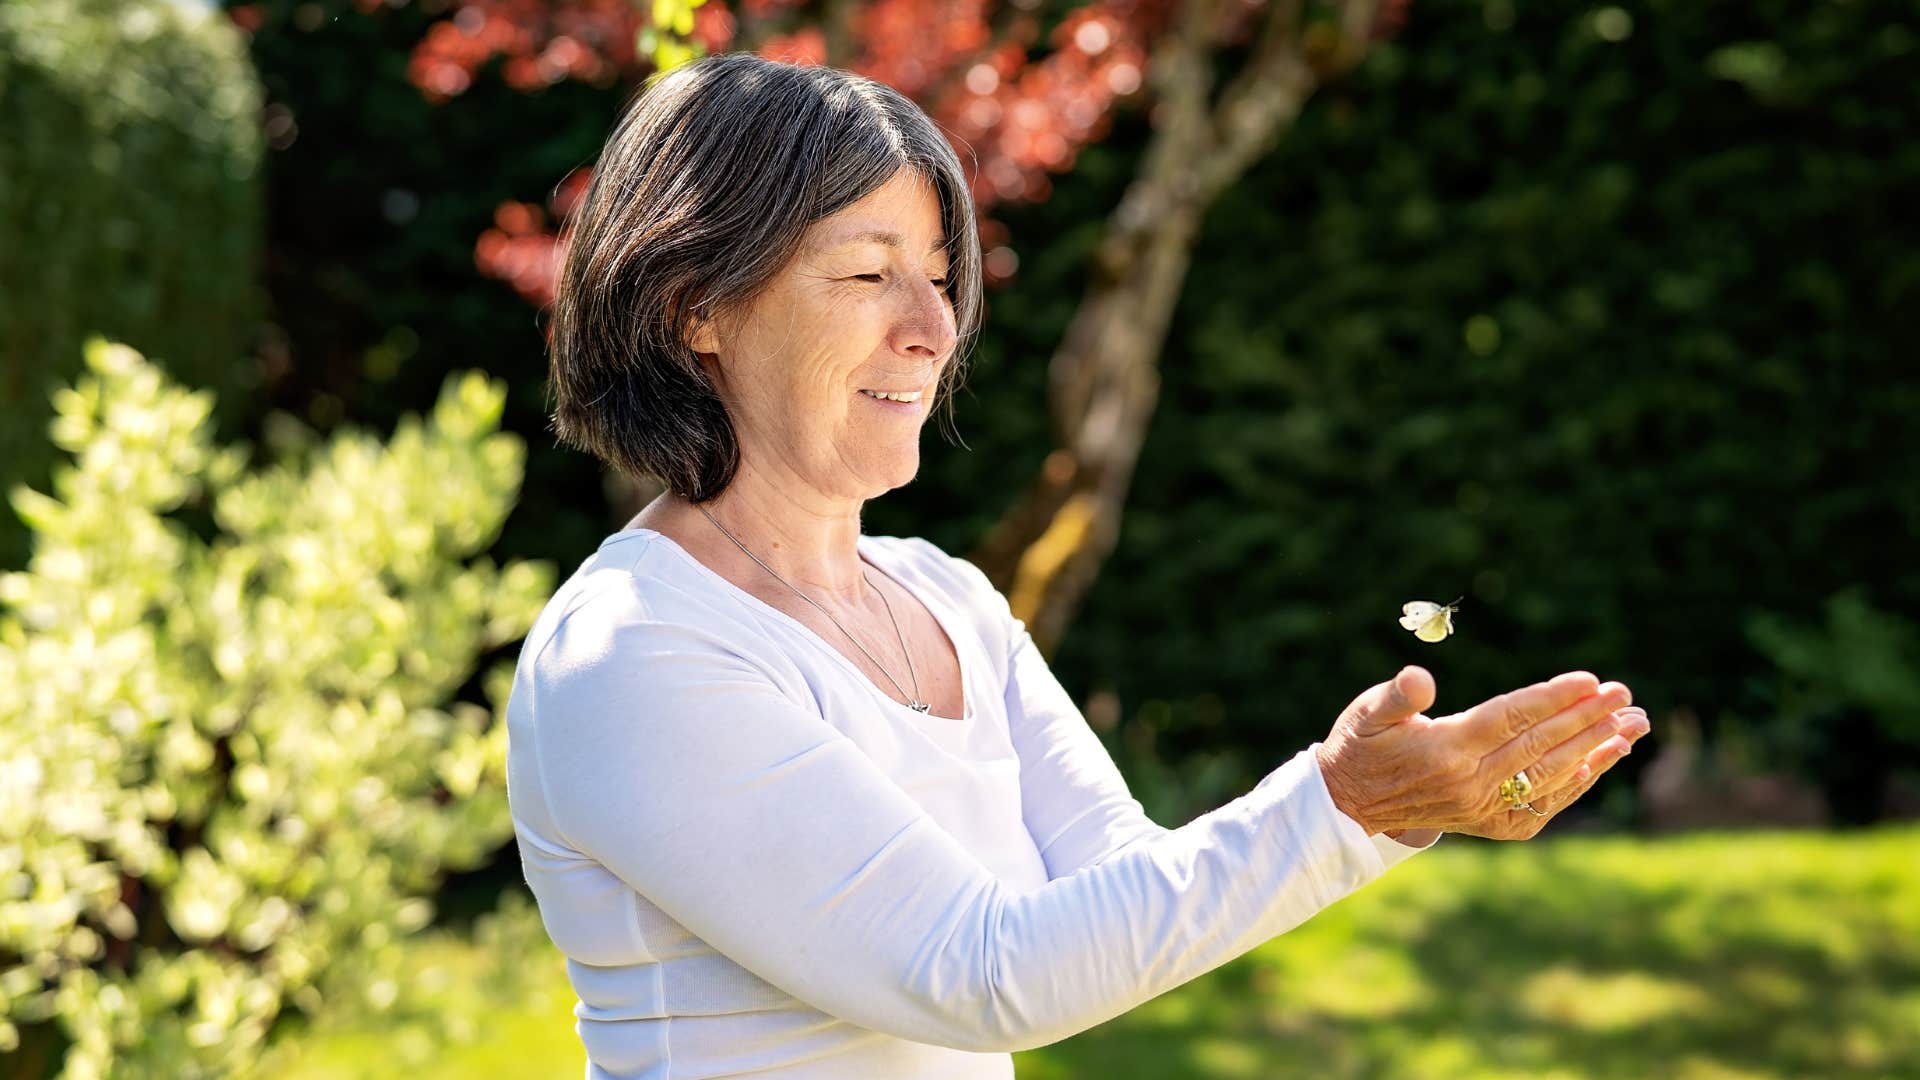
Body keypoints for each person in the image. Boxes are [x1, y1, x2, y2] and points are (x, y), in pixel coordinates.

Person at [503, 51, 1651, 1080]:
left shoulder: (948, 597)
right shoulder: (632, 654)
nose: (935, 326)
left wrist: (1390, 809)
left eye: (942, 275)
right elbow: (978, 972)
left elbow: (1110, 906)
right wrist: (1342, 807)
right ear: (692, 305)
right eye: (867, 274)